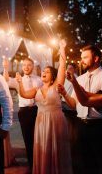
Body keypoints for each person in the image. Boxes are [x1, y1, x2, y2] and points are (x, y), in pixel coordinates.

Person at [15, 40, 72, 174]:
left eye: (47, 71)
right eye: (43, 71)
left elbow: (62, 67)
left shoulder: (57, 86)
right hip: (40, 122)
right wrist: (19, 83)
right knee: (43, 147)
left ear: (53, 77)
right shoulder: (36, 89)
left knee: (56, 148)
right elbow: (23, 94)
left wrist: (62, 48)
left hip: (56, 120)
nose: (44, 73)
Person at [58, 45, 102, 174]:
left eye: (85, 57)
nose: (82, 60)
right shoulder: (80, 78)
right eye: (81, 57)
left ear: (95, 58)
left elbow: (101, 103)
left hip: (101, 126)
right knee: (83, 164)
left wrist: (76, 85)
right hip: (81, 126)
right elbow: (74, 105)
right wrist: (65, 93)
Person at [3, 57, 42, 170]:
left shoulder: (39, 79)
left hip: (37, 110)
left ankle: (40, 163)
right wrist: (5, 67)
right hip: (24, 111)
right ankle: (32, 165)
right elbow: (6, 79)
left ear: (33, 66)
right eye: (24, 65)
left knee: (38, 138)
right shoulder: (17, 79)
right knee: (28, 139)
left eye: (29, 65)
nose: (26, 67)